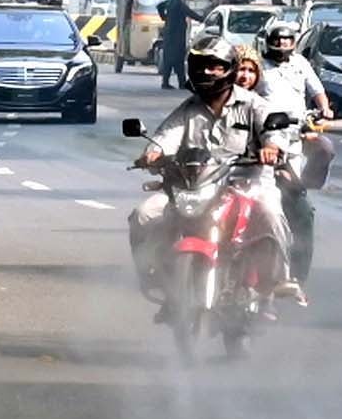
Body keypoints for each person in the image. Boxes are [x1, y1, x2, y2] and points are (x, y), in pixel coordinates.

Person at [127, 39, 296, 312]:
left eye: (216, 67)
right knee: (143, 214)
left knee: (271, 213)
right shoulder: (189, 109)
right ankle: (155, 275)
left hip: (248, 183)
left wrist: (272, 147)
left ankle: (278, 278)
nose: (208, 73)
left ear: (229, 69)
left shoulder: (253, 104)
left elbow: (273, 129)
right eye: (202, 67)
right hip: (197, 185)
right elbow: (166, 136)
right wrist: (153, 153)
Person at [254, 20, 335, 287]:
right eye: (277, 42)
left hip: (292, 143)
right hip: (258, 141)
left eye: (287, 42)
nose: (281, 46)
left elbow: (318, 91)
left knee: (302, 214)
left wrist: (324, 108)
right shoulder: (258, 68)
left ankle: (297, 280)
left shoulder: (300, 64)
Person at [155, 0, 195, 89]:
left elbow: (159, 6)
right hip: (178, 36)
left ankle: (165, 82)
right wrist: (204, 19)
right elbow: (191, 14)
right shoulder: (180, 4)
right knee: (179, 60)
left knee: (168, 59)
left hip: (168, 35)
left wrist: (164, 17)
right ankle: (181, 83)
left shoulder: (170, 2)